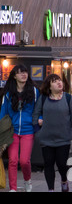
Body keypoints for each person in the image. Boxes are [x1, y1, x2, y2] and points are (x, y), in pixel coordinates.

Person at [32, 74, 72, 192]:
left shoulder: (69, 99)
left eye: (60, 80)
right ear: (49, 86)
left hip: (63, 139)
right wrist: (38, 131)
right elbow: (35, 115)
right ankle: (51, 189)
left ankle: (64, 180)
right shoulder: (42, 99)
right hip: (46, 139)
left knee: (62, 164)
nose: (59, 83)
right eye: (55, 81)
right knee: (48, 164)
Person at [0, 64, 39, 192]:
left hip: (28, 130)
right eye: (20, 72)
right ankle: (13, 188)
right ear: (14, 76)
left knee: (24, 161)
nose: (24, 74)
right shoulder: (8, 93)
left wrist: (40, 118)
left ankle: (27, 180)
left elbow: (39, 108)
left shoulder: (34, 91)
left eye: (25, 72)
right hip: (12, 131)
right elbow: (3, 113)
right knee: (12, 160)